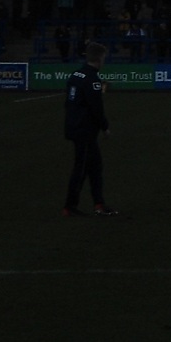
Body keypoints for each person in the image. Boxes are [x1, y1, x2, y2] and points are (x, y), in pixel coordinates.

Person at [62, 41, 119, 217]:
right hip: (84, 130)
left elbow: (70, 103)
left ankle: (99, 204)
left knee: (94, 166)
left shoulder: (77, 74)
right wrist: (105, 126)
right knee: (82, 167)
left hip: (74, 126)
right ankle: (70, 206)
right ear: (100, 58)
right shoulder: (92, 79)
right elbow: (96, 107)